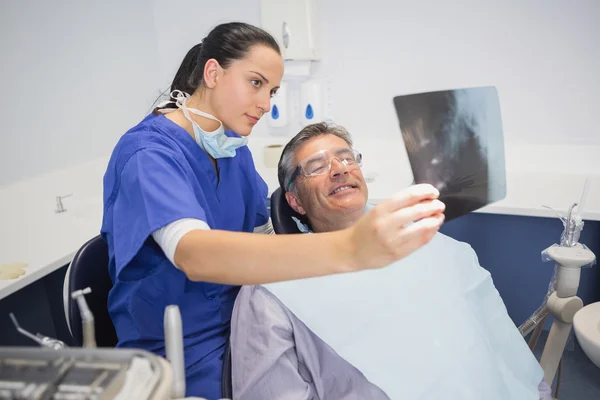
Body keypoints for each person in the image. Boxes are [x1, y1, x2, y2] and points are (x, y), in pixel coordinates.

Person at [100, 22, 445, 398]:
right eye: (256, 83)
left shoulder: (230, 150)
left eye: (273, 90)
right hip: (182, 357)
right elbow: (194, 253)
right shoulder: (148, 155)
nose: (266, 103)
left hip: (244, 329)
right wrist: (349, 248)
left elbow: (265, 231)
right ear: (212, 73)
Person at [229, 122, 553, 399]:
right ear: (295, 201)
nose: (339, 168)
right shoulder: (272, 291)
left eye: (346, 158)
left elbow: (501, 345)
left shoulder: (438, 247)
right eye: (317, 166)